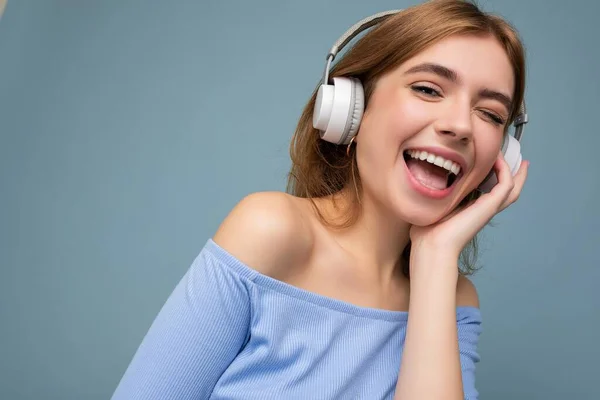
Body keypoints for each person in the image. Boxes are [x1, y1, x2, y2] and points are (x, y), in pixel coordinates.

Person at [112, 0, 529, 399]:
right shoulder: (270, 231)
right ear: (352, 108)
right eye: (428, 89)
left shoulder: (454, 301)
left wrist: (435, 258)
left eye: (490, 114)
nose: (460, 126)